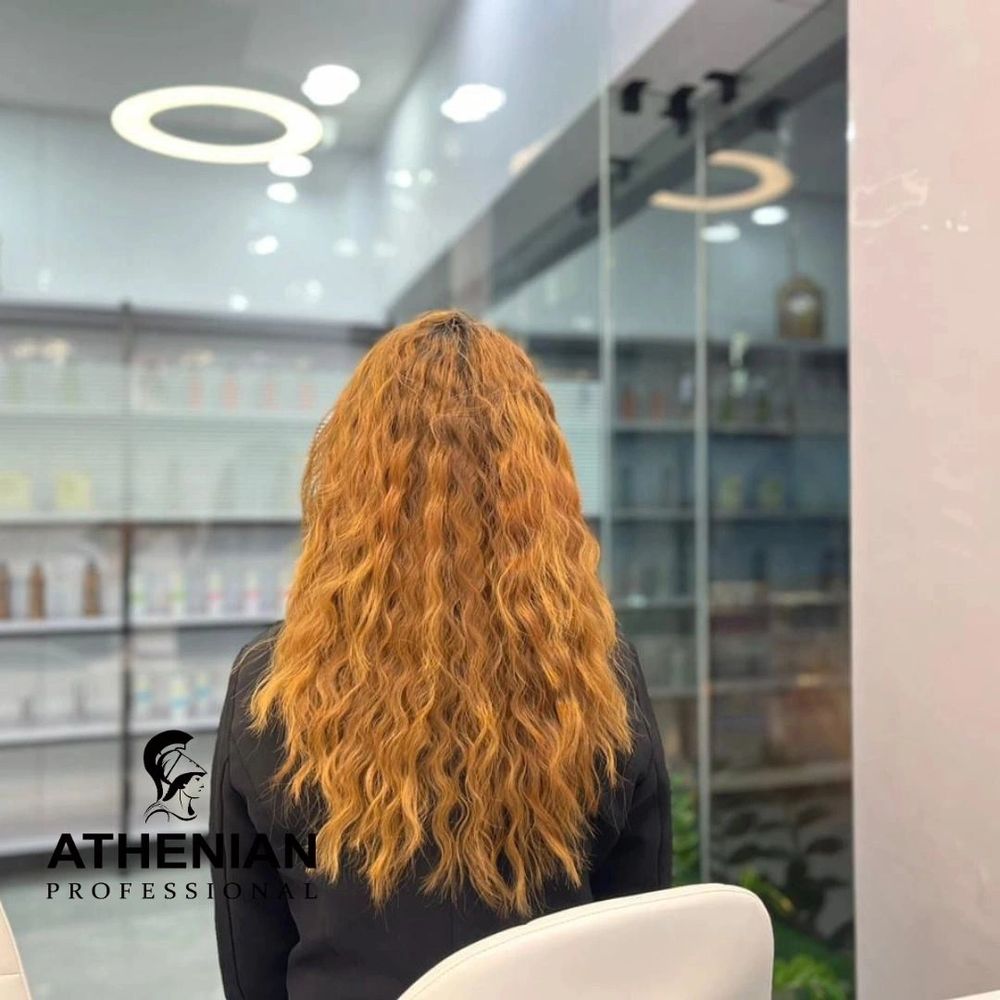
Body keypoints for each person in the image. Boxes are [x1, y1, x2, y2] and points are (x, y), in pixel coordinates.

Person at [210, 310, 671, 999]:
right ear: (542, 485)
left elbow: (250, 961)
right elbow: (638, 926)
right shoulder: (599, 676)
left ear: (346, 477)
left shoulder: (272, 688)